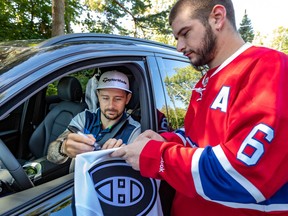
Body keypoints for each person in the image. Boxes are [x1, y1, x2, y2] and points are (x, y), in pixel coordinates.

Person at [111, 0, 288, 215]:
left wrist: (157, 156)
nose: (179, 47)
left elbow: (245, 173)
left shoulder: (269, 68)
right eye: (177, 38)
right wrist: (168, 140)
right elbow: (198, 138)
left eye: (185, 33)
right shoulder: (204, 83)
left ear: (217, 17)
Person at [47, 70, 141, 171]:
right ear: (98, 96)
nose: (111, 105)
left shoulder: (134, 131)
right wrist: (63, 148)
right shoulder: (84, 117)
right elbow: (51, 155)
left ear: (127, 99)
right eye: (105, 98)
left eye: (118, 99)